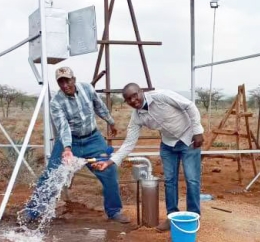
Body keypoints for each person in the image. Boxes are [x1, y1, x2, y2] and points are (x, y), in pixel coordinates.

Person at [21, 67, 130, 224]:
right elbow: (63, 127)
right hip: (70, 141)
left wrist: (111, 122)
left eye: (67, 80)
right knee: (51, 175)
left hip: (93, 138)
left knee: (109, 170)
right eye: (61, 82)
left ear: (74, 79)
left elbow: (99, 106)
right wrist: (67, 148)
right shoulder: (56, 102)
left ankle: (114, 212)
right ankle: (33, 211)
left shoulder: (87, 89)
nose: (65, 85)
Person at [94, 83, 204, 232]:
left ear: (141, 92)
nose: (133, 100)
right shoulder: (136, 117)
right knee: (169, 181)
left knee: (192, 180)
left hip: (189, 138)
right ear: (126, 102)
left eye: (135, 95)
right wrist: (111, 161)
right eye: (128, 99)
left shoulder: (162, 96)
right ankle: (172, 216)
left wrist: (197, 130)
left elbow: (189, 106)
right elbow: (129, 143)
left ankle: (193, 217)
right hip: (168, 144)